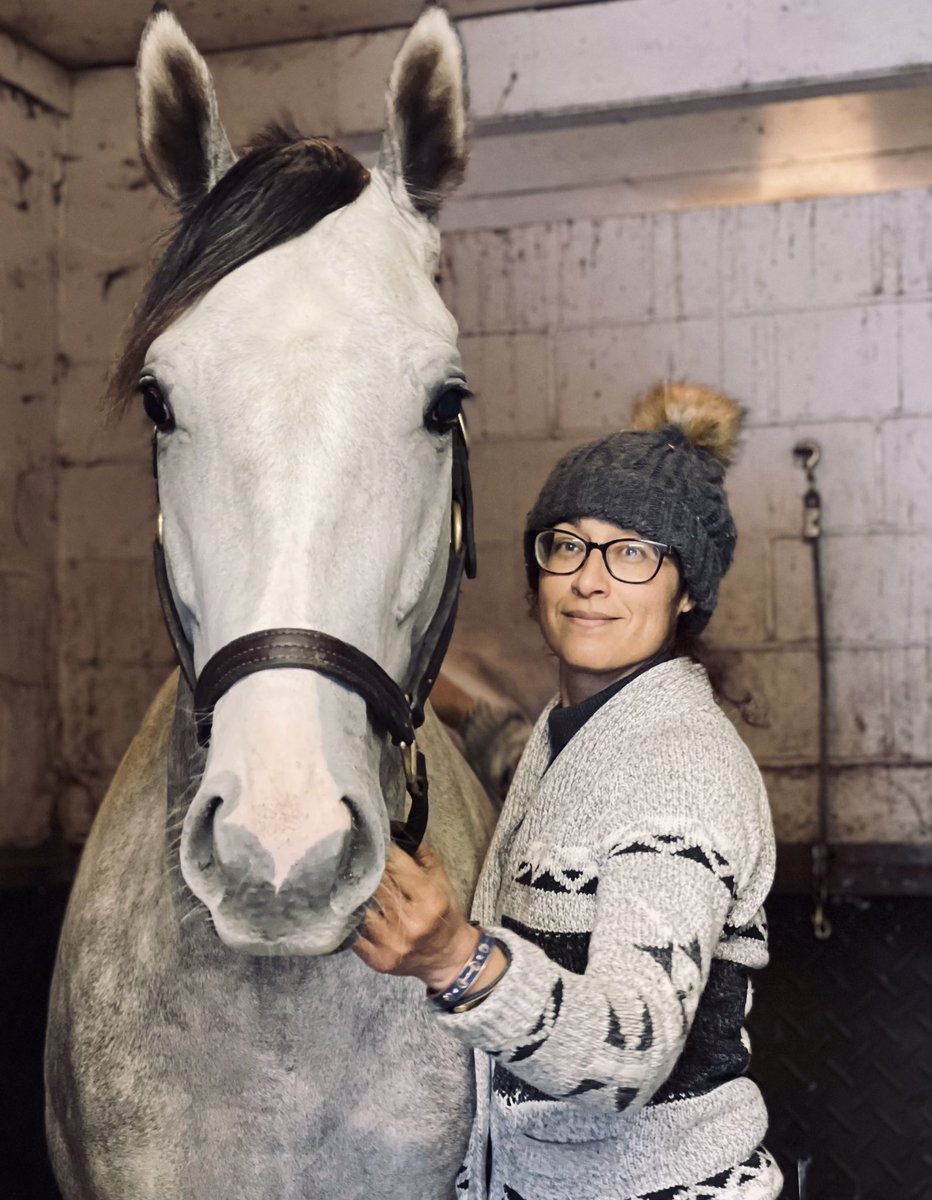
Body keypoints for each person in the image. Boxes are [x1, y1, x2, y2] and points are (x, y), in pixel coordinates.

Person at [354, 383, 783, 1200]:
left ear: (686, 589)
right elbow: (543, 777)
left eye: (632, 553)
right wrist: (458, 711)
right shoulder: (575, 729)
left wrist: (454, 958)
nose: (591, 580)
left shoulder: (679, 768)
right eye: (568, 546)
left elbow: (634, 1051)